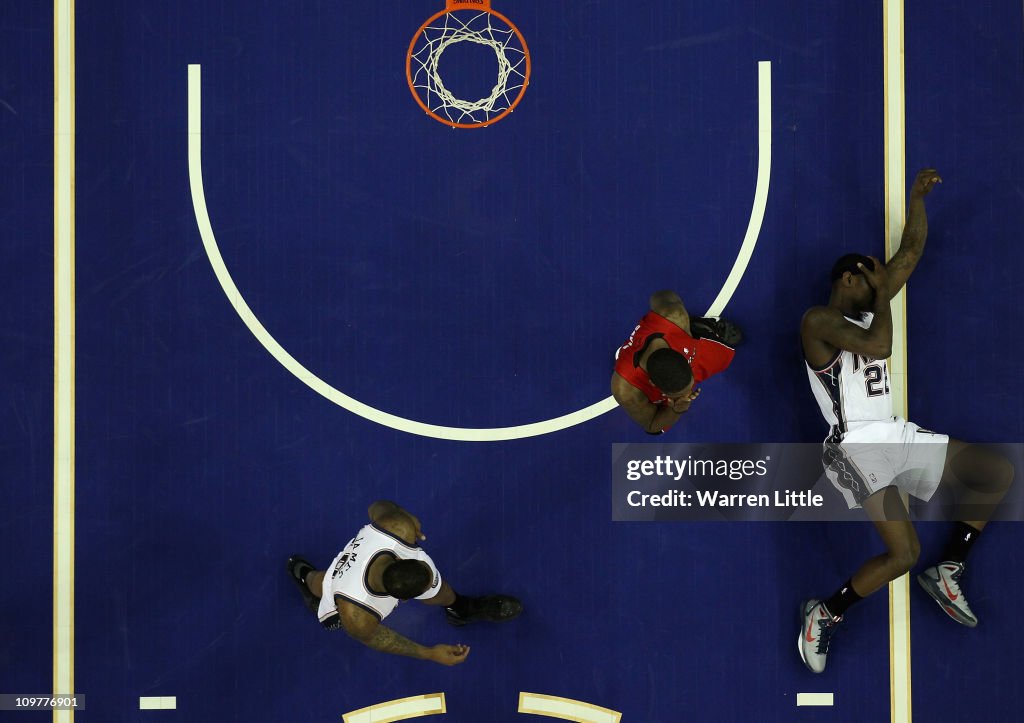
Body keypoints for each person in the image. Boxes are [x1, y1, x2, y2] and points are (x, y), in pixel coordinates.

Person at [797, 169, 1014, 673]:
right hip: (853, 449)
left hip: (895, 433)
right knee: (903, 554)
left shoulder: (873, 304)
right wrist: (883, 297)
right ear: (848, 280)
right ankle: (825, 614)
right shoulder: (818, 321)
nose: (880, 287)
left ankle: (951, 567)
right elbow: (880, 346)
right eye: (870, 280)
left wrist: (918, 201)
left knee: (994, 471)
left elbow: (910, 253)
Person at [287, 500, 522, 666]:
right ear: (404, 599)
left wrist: (403, 515)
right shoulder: (356, 615)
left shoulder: (397, 527)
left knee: (441, 591)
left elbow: (376, 506)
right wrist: (428, 653)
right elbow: (376, 638)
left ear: (400, 558)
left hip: (355, 569)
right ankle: (308, 583)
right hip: (344, 589)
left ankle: (460, 610)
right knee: (322, 583)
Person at [611, 291, 742, 433]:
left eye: (688, 388)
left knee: (725, 357)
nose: (687, 395)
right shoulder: (625, 391)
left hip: (683, 342)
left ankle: (699, 326)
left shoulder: (673, 315)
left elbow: (660, 295)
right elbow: (651, 425)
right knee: (662, 427)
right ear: (653, 384)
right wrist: (677, 409)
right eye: (678, 395)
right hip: (648, 369)